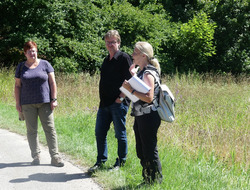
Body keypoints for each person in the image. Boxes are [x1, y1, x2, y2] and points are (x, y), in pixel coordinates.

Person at [88, 30, 132, 174]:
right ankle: (100, 161)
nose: (110, 44)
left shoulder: (124, 58)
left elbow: (131, 82)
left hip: (118, 104)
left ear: (119, 43)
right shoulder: (106, 60)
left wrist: (120, 98)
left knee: (120, 134)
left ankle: (121, 161)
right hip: (104, 104)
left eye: (113, 42)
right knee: (99, 133)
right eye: (108, 42)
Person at [14, 41, 64, 167]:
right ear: (25, 53)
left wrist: (54, 99)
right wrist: (18, 103)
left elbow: (53, 83)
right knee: (31, 131)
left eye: (34, 51)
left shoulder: (45, 64)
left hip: (45, 103)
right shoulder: (21, 67)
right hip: (27, 104)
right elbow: (17, 86)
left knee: (50, 129)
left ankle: (55, 157)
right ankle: (36, 156)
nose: (33, 53)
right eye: (30, 51)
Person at [122, 42, 163, 184]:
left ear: (143, 55)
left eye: (135, 53)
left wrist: (130, 89)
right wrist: (132, 77)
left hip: (149, 116)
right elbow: (140, 94)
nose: (132, 55)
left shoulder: (148, 72)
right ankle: (147, 179)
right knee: (141, 149)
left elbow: (149, 97)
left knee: (149, 150)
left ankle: (155, 181)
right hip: (141, 115)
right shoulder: (142, 71)